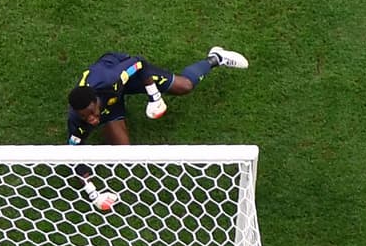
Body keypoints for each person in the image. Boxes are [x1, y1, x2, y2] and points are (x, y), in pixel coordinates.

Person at [66, 47, 248, 210]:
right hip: (110, 102)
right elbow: (74, 155)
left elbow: (139, 63)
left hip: (128, 77)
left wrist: (155, 97)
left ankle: (216, 57)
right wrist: (94, 194)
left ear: (95, 101)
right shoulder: (77, 117)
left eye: (92, 113)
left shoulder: (111, 78)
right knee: (124, 155)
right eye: (85, 117)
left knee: (184, 86)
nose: (91, 120)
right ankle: (114, 112)